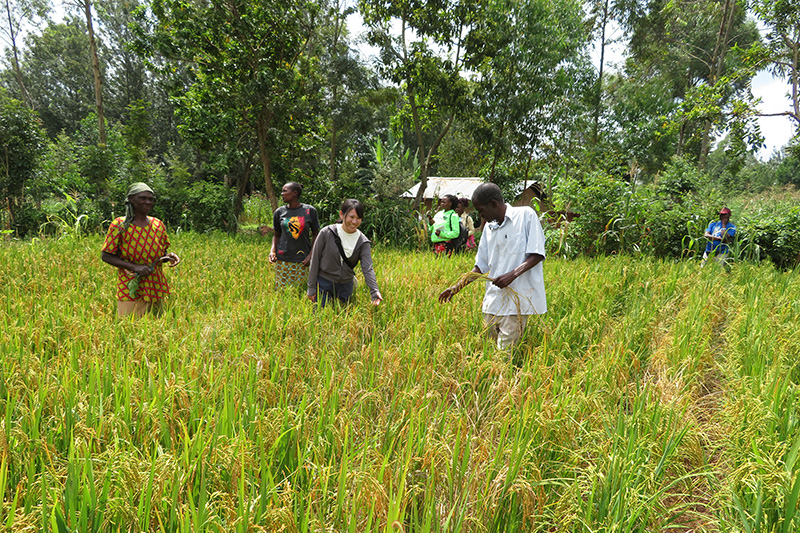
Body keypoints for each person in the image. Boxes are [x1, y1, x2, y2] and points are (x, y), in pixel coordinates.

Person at [438, 183, 547, 349]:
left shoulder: (525, 216)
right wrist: (456, 287)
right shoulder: (489, 228)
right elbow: (480, 266)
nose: (480, 215)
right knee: (488, 352)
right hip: (493, 302)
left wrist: (512, 275)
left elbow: (537, 253)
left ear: (494, 204)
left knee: (504, 354)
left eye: (481, 210)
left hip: (516, 303)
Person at [101, 183, 181, 317]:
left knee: (156, 325)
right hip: (131, 284)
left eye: (150, 199)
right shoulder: (120, 225)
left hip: (155, 285)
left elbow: (160, 253)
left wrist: (168, 256)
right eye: (142, 198)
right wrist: (135, 267)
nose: (147, 202)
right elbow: (106, 255)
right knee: (129, 324)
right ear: (131, 199)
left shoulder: (157, 224)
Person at [307, 199, 383, 308]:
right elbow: (315, 260)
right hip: (324, 285)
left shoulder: (363, 241)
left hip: (345, 288)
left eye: (358, 218)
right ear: (342, 215)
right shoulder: (327, 233)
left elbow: (368, 268)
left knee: (342, 315)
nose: (354, 222)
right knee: (320, 315)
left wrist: (374, 291)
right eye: (351, 217)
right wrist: (311, 287)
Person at [269, 182, 320, 289]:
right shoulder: (279, 212)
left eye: (285, 191)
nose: (282, 194)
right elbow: (276, 235)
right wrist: (272, 251)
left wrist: (311, 255)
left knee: (301, 291)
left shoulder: (309, 211)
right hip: (283, 259)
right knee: (282, 291)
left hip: (303, 260)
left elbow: (316, 234)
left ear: (294, 193)